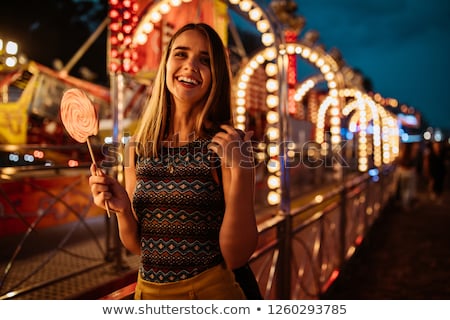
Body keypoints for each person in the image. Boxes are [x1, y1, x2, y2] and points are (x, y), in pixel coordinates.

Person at [89, 23, 259, 300]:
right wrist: (122, 210)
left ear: (217, 74)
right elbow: (139, 246)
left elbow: (237, 255)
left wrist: (240, 170)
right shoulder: (137, 147)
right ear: (166, 64)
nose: (190, 66)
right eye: (181, 54)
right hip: (149, 293)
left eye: (205, 60)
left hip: (210, 292)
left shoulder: (228, 144)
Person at [393, 142, 419, 211]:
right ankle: (406, 204)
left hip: (403, 174)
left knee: (404, 190)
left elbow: (399, 163)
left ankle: (404, 204)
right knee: (408, 190)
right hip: (410, 174)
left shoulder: (401, 155)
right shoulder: (412, 155)